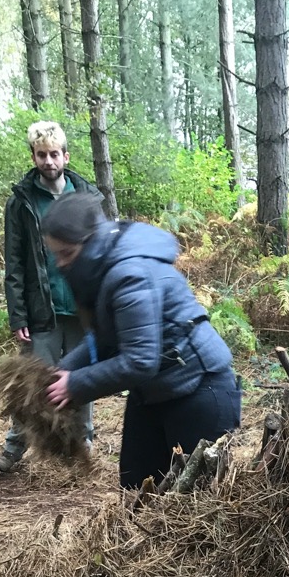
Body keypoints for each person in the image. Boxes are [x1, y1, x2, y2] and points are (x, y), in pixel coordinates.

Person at [41, 191, 241, 489]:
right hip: (153, 392)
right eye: (55, 255)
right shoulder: (103, 268)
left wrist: (75, 384)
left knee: (197, 500)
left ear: (91, 242)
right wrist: (64, 370)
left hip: (199, 389)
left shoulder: (130, 274)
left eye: (67, 253)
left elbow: (140, 360)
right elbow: (104, 338)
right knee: (138, 491)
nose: (60, 264)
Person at [0, 122, 100, 474]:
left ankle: (83, 446)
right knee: (33, 382)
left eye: (54, 154)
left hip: (81, 308)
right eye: (42, 155)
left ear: (65, 156)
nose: (48, 161)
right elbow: (14, 262)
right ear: (34, 158)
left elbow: (100, 252)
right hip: (42, 310)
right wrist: (18, 314)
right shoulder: (21, 202)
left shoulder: (86, 197)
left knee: (82, 378)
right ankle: (15, 447)